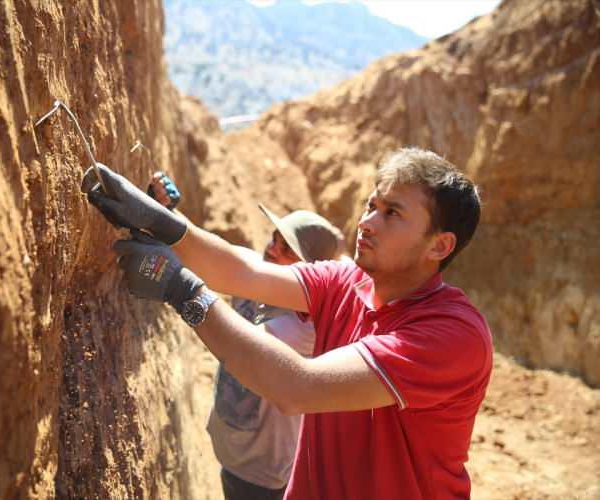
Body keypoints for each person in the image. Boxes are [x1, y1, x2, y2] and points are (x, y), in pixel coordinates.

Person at [84, 147, 493, 499]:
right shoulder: (344, 281)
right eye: (371, 205)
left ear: (439, 245)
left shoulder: (451, 335)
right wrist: (164, 223)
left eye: (392, 213)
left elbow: (299, 387)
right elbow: (242, 270)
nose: (367, 222)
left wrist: (182, 290)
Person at [147, 172, 344, 500]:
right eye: (274, 237)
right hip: (235, 454)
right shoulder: (262, 282)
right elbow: (212, 256)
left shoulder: (297, 332)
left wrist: (181, 291)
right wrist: (169, 212)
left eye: (286, 248)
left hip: (264, 477)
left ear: (312, 271)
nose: (271, 249)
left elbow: (234, 342)